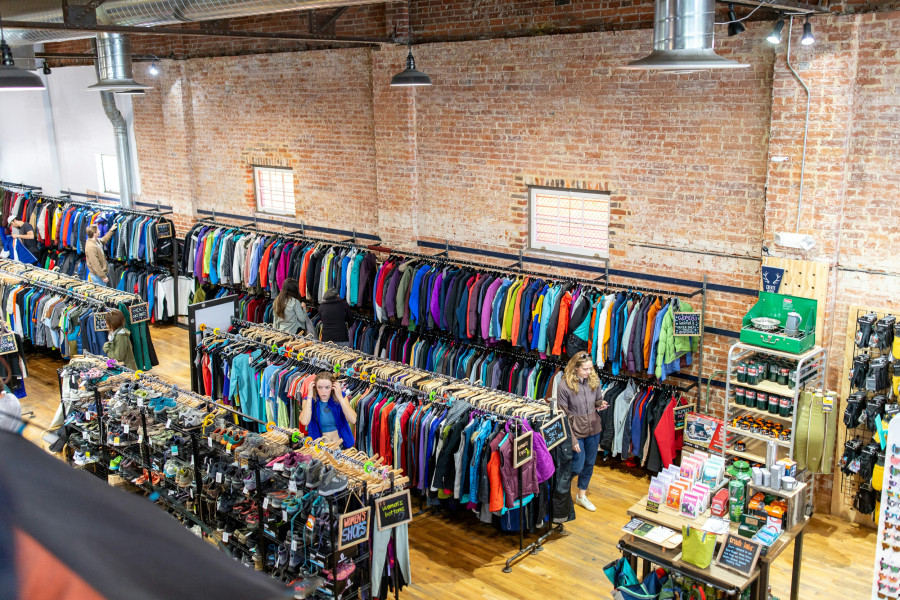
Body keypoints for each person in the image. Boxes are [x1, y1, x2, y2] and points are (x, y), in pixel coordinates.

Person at [556, 351, 608, 512]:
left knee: (589, 464)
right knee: (576, 466)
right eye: (585, 369)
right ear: (576, 368)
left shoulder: (594, 380)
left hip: (593, 428)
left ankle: (581, 496)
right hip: (576, 432)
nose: (589, 372)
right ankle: (559, 492)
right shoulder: (564, 386)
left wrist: (600, 404)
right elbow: (562, 415)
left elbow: (597, 399)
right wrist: (571, 440)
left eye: (590, 368)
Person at [299, 372, 356, 448]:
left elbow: (353, 420)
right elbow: (304, 421)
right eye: (320, 387)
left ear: (332, 387)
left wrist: (339, 397)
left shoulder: (340, 397)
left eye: (327, 387)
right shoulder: (309, 400)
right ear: (315, 387)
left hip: (342, 446)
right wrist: (309, 395)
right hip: (320, 447)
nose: (323, 391)